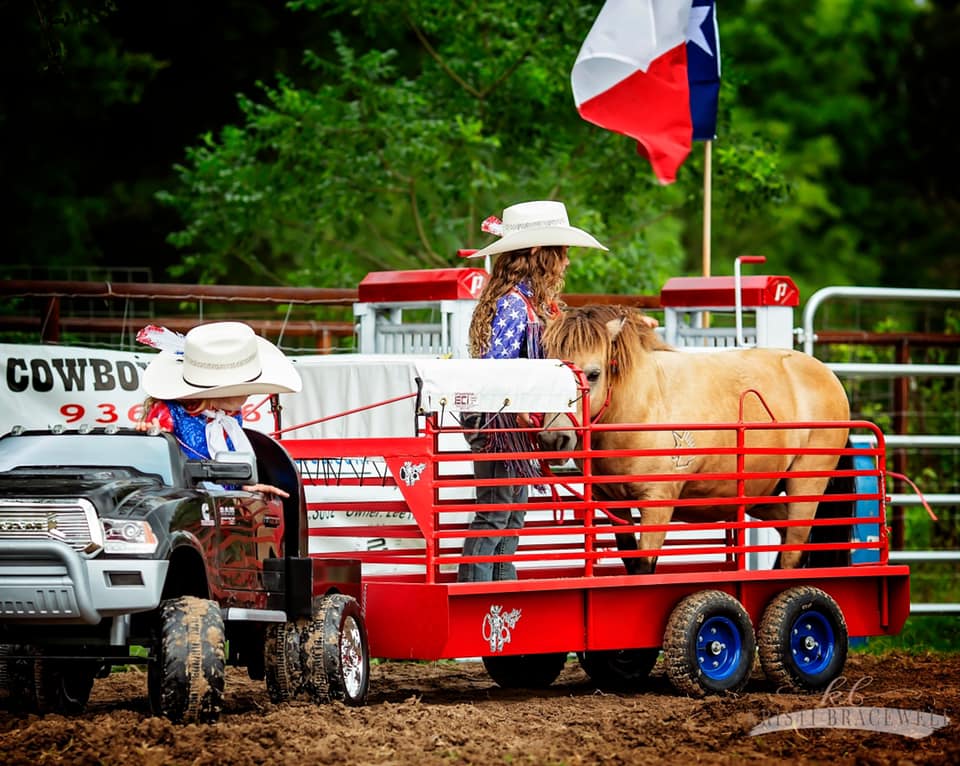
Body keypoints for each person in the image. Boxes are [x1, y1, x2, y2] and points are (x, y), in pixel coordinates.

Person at [457, 200, 610, 583]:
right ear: (541, 254)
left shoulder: (530, 305)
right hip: (500, 427)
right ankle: (477, 600)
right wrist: (524, 407)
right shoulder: (514, 306)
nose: (567, 262)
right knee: (496, 513)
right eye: (563, 253)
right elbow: (498, 370)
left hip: (511, 427)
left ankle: (499, 600)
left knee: (509, 514)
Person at [135, 321, 303, 498]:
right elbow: (152, 458)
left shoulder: (232, 416)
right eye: (245, 388)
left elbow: (228, 459)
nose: (251, 393)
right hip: (184, 497)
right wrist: (150, 438)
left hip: (222, 499)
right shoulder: (169, 412)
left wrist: (243, 488)